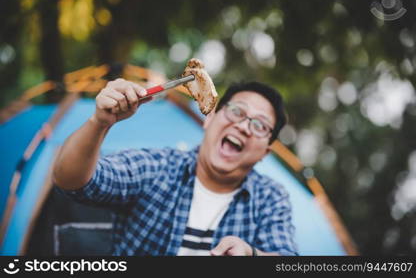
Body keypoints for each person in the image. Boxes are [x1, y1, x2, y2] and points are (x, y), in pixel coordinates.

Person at [53, 78, 298, 256]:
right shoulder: (157, 168)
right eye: (236, 111)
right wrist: (99, 123)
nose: (244, 127)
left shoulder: (270, 198)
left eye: (259, 126)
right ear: (209, 119)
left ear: (265, 151)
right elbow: (71, 181)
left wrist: (251, 255)